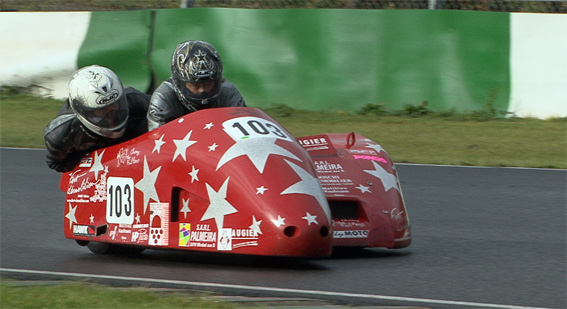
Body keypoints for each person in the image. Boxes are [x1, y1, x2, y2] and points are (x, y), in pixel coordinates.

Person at [44, 65, 151, 172]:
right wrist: (91, 162)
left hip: (138, 153)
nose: (111, 117)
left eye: (115, 106)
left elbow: (164, 120)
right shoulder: (62, 133)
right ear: (82, 111)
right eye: (102, 111)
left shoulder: (137, 101)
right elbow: (57, 164)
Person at [147, 40, 246, 131]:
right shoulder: (164, 97)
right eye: (195, 86)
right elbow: (158, 141)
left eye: (208, 84)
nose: (202, 90)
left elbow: (244, 128)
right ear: (179, 83)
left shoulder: (228, 91)